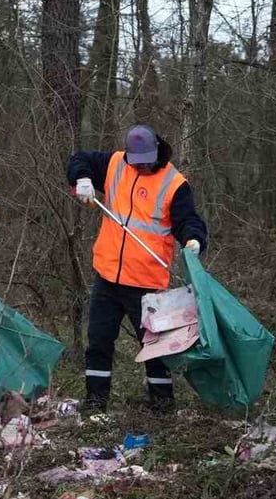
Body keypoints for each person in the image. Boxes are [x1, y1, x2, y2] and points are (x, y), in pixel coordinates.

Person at [68, 125, 208, 414]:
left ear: (156, 151)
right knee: (99, 342)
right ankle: (95, 403)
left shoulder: (174, 183)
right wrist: (82, 178)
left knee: (156, 349)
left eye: (146, 161)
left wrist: (193, 240)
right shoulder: (115, 164)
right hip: (107, 276)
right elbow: (79, 159)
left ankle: (162, 408)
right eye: (137, 161)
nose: (141, 166)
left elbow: (188, 220)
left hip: (147, 282)